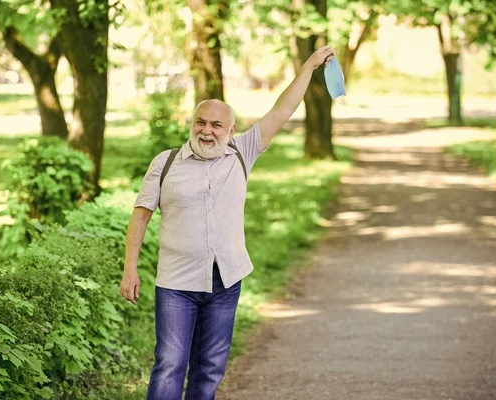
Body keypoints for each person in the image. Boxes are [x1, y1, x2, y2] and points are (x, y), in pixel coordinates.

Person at [120, 45, 336, 400]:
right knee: (170, 364)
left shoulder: (242, 152)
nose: (207, 131)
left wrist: (310, 66)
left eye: (216, 125)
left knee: (209, 369)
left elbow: (283, 109)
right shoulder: (166, 163)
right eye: (200, 122)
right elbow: (140, 215)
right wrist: (130, 269)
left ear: (231, 129)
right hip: (175, 283)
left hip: (225, 282)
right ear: (192, 124)